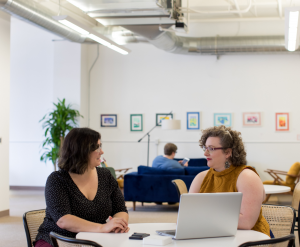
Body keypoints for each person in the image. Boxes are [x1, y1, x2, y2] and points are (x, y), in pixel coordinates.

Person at [35, 128, 129, 247]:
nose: (102, 152)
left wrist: (118, 224)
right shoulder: (57, 179)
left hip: (94, 238)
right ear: (81, 151)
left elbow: (120, 209)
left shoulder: (105, 176)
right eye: (97, 147)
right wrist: (103, 227)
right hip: (58, 239)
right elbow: (63, 220)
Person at [189, 126, 270, 237]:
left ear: (227, 152)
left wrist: (203, 218)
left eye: (211, 148)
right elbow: (188, 216)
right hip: (213, 235)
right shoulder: (200, 178)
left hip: (250, 238)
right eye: (205, 148)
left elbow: (246, 223)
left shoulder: (247, 176)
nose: (205, 153)